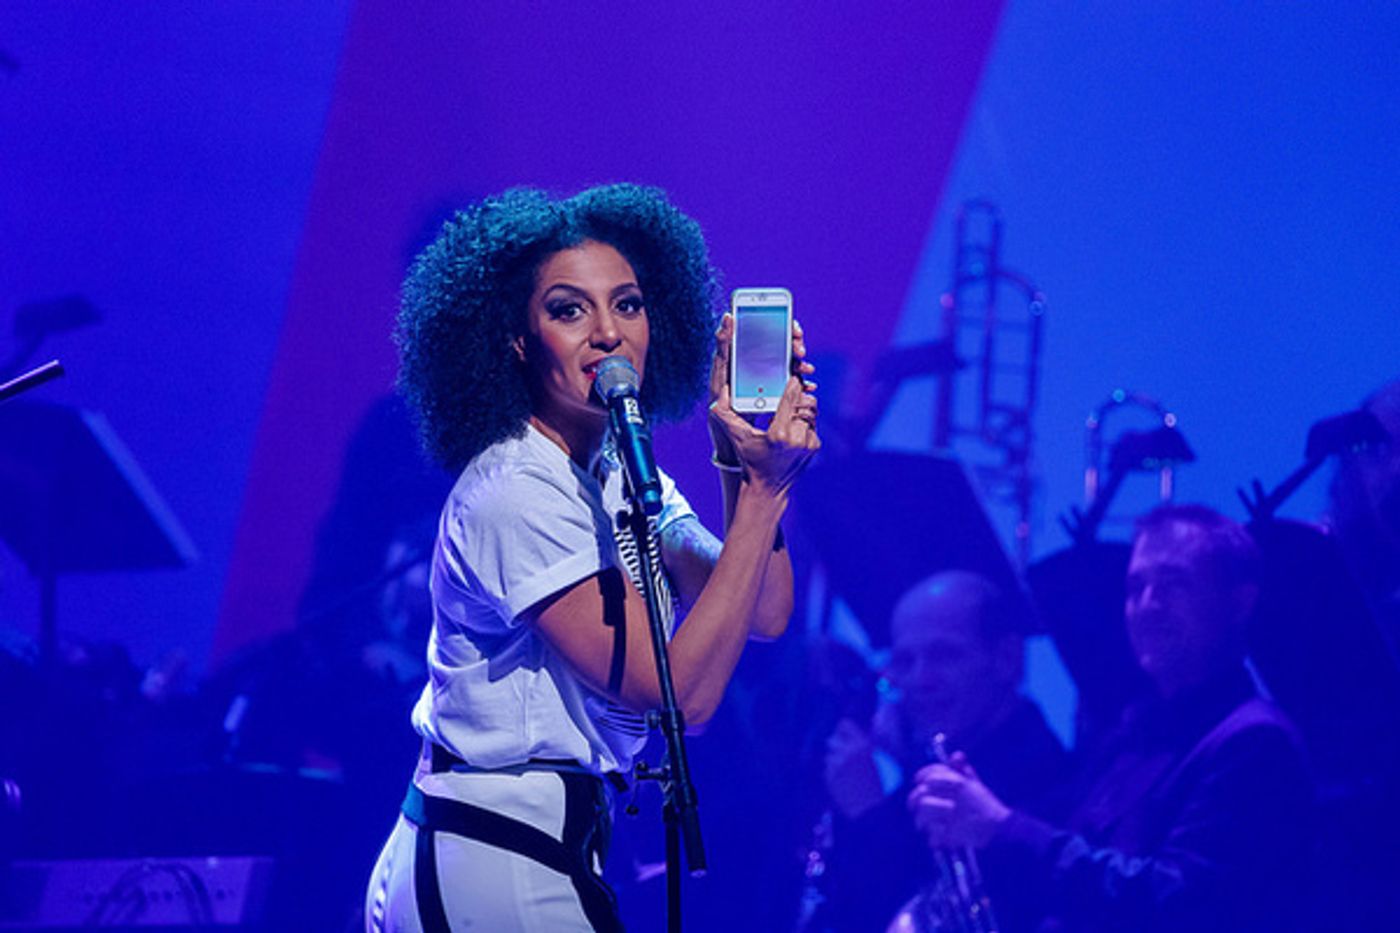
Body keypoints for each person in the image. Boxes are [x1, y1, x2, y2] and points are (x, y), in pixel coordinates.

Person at [363, 184, 820, 932]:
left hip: (550, 847)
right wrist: (768, 494)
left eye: (629, 304)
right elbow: (678, 696)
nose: (608, 333)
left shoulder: (615, 465)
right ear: (516, 338)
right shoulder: (516, 487)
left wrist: (738, 462)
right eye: (569, 309)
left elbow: (762, 608)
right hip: (490, 852)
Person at [907, 505, 1314, 932]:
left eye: (1173, 585)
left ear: (1239, 601)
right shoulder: (1132, 732)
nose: (1147, 605)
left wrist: (1002, 828)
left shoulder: (1255, 743)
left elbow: (1172, 903)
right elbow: (1067, 849)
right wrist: (974, 816)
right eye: (1135, 587)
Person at [810, 570, 1065, 932]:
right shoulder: (933, 757)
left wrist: (869, 813)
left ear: (1008, 658)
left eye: (944, 655)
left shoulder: (1042, 780)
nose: (920, 680)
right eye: (905, 661)